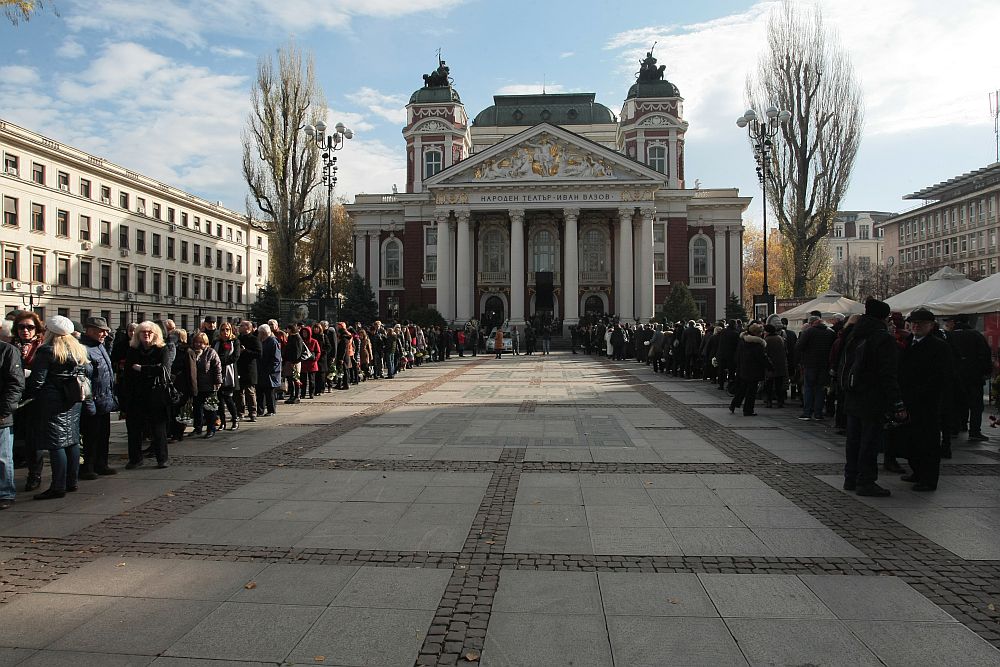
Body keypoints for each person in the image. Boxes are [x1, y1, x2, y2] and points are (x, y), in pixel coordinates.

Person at [842, 298, 906, 497]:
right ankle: (866, 481)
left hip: (853, 395)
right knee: (870, 441)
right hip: (873, 397)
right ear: (883, 317)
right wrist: (897, 402)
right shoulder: (882, 338)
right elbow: (888, 373)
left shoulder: (855, 334)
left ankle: (850, 478)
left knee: (853, 440)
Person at [23, 316, 91, 499]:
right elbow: (88, 371)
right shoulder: (78, 349)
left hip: (52, 402)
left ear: (50, 332)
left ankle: (58, 486)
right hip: (73, 399)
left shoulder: (47, 350)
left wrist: (29, 391)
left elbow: (38, 381)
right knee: (72, 440)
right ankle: (72, 482)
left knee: (56, 444)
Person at [897, 309, 950, 491]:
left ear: (930, 325)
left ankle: (928, 478)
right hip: (909, 399)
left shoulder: (938, 346)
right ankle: (917, 471)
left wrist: (922, 393)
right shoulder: (908, 342)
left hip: (928, 401)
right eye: (913, 323)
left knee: (928, 441)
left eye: (920, 323)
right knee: (912, 439)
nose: (915, 326)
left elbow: (940, 376)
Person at [122, 321, 171, 468]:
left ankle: (162, 458)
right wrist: (150, 369)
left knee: (158, 429)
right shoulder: (133, 350)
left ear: (156, 334)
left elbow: (164, 370)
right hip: (136, 394)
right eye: (143, 332)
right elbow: (128, 372)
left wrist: (142, 369)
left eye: (150, 332)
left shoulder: (162, 349)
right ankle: (135, 459)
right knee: (134, 428)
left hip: (156, 394)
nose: (146, 334)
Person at [78, 317, 118, 479]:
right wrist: (89, 402)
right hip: (93, 400)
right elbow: (84, 378)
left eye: (106, 330)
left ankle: (102, 463)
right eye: (101, 331)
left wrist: (109, 343)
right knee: (91, 436)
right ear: (90, 330)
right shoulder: (84, 348)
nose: (105, 333)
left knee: (103, 435)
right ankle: (88, 466)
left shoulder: (99, 346)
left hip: (104, 399)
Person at [944, 314, 993, 442]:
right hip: (974, 377)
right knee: (976, 405)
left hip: (954, 376)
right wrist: (985, 372)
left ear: (955, 322)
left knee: (955, 403)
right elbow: (985, 354)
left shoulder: (949, 336)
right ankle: (975, 431)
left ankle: (955, 428)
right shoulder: (976, 335)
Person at [11, 311, 45, 490]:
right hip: (12, 398)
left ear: (36, 329)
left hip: (34, 399)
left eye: (30, 327)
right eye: (21, 327)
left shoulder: (41, 347)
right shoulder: (10, 346)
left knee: (34, 439)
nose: (25, 331)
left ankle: (35, 474)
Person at [0, 334, 25, 510]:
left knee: (3, 457)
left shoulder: (7, 350)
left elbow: (16, 383)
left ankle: (5, 492)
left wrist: (4, 410)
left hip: (1, 414)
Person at [796, 315, 836, 421]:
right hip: (824, 365)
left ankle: (807, 412)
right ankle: (818, 413)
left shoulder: (809, 332)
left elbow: (799, 346)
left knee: (808, 388)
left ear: (812, 323)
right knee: (820, 389)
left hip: (810, 364)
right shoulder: (831, 332)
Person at [187, 332, 222, 438]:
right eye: (196, 342)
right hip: (196, 385)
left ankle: (211, 429)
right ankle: (197, 428)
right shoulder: (191, 352)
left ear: (206, 343)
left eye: (201, 342)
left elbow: (217, 367)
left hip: (208, 385)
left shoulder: (211, 352)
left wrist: (218, 382)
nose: (198, 344)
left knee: (210, 409)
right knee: (197, 408)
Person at [729, 323, 768, 416]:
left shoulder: (743, 341)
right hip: (753, 370)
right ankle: (748, 410)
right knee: (751, 392)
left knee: (742, 389)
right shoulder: (757, 344)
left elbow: (737, 355)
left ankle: (734, 404)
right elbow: (762, 358)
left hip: (743, 368)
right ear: (757, 333)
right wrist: (770, 366)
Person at [213, 321, 242, 430]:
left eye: (227, 329)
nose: (225, 332)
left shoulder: (235, 341)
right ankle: (223, 422)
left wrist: (221, 362)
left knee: (228, 398)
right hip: (217, 373)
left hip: (229, 373)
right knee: (219, 399)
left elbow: (235, 356)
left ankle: (235, 419)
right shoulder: (216, 342)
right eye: (222, 329)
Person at [237, 321, 261, 422]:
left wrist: (245, 351)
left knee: (250, 392)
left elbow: (258, 353)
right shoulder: (238, 339)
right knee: (238, 393)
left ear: (248, 328)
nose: (240, 327)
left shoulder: (254, 339)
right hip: (239, 368)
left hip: (250, 369)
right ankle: (240, 412)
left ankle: (252, 412)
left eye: (242, 326)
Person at [256, 324, 281, 417]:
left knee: (269, 392)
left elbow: (276, 359)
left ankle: (271, 410)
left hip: (270, 372)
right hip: (261, 370)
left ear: (263, 333)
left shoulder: (273, 342)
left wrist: (271, 370)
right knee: (260, 392)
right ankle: (260, 410)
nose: (258, 334)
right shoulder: (261, 341)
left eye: (260, 333)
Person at [763, 324, 788, 408]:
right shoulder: (780, 338)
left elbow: (765, 353)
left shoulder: (767, 339)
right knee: (779, 385)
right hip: (780, 364)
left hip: (770, 365)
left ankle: (769, 401)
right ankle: (780, 401)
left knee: (769, 384)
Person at [281, 324, 305, 404]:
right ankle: (292, 395)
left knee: (296, 379)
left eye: (287, 329)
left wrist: (294, 362)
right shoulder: (291, 337)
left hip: (295, 362)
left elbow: (297, 351)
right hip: (289, 361)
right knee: (290, 379)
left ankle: (296, 396)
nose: (286, 330)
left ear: (290, 329)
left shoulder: (297, 338)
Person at [299, 325, 320, 398]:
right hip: (303, 363)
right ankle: (303, 393)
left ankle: (311, 393)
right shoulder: (300, 341)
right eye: (303, 332)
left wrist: (315, 359)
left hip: (312, 363)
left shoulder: (314, 341)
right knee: (303, 380)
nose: (304, 334)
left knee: (312, 380)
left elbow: (318, 351)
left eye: (306, 332)